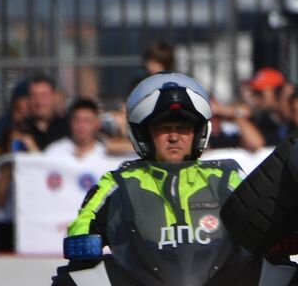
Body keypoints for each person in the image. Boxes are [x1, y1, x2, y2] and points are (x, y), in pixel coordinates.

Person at [67, 73, 242, 244]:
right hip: (139, 274)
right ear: (144, 135)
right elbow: (82, 226)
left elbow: (260, 221)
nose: (174, 137)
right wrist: (82, 240)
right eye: (164, 128)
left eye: (183, 128)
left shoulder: (224, 178)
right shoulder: (120, 183)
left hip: (219, 274)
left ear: (198, 134)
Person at [43, 98, 109, 164]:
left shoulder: (106, 154)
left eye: (87, 121)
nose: (81, 126)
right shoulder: (55, 151)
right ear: (70, 122)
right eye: (77, 120)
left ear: (97, 124)